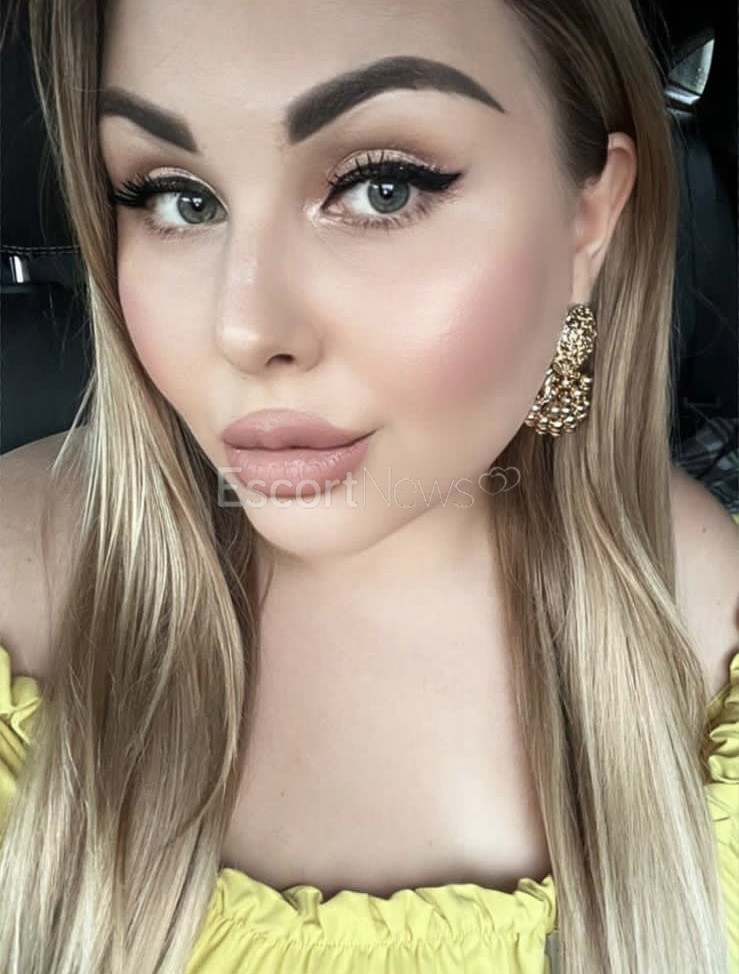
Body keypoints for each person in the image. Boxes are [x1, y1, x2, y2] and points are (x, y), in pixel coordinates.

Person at [0, 0, 737, 972]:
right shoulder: (20, 583)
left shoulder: (699, 609)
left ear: (586, 220)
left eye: (382, 190)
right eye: (178, 198)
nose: (243, 329)